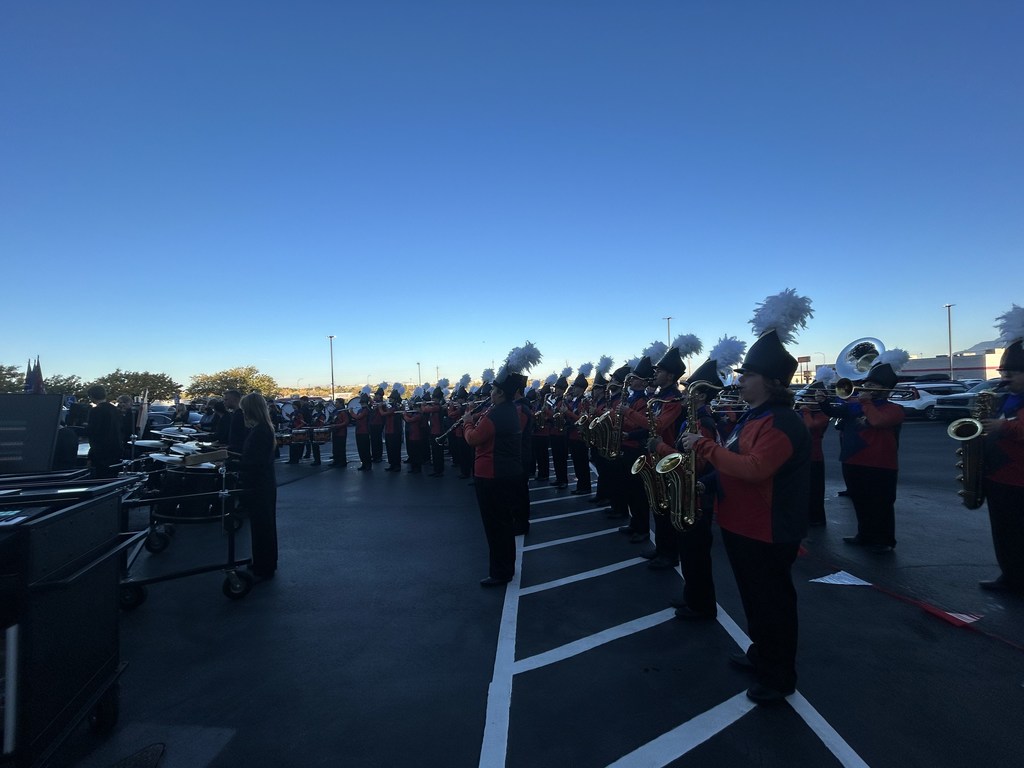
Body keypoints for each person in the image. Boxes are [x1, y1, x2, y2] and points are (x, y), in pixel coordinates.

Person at [678, 294, 812, 706]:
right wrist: (709, 483)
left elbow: (754, 469)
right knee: (754, 601)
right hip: (740, 523)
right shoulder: (753, 417)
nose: (740, 380)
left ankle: (778, 676)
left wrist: (702, 446)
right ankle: (761, 655)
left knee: (772, 604)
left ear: (771, 381)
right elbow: (735, 464)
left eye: (748, 375)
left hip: (768, 529)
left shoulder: (783, 421)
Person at [817, 354, 907, 552]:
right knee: (860, 501)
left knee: (881, 503)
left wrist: (866, 403)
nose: (867, 388)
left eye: (873, 385)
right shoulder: (855, 404)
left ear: (884, 389)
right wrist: (823, 402)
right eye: (867, 384)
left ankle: (884, 540)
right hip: (852, 459)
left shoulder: (895, 409)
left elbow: (877, 421)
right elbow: (835, 412)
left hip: (881, 464)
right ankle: (864, 535)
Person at [978, 308, 1024, 594]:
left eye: (1013, 372)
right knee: (1005, 533)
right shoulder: (1008, 397)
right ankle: (1010, 576)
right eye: (1004, 371)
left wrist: (1001, 427)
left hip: (1019, 479)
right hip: (1000, 477)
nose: (1006, 377)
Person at [465, 370, 523, 586]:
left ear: (500, 394)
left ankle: (500, 572)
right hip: (506, 473)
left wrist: (467, 422)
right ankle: (507, 567)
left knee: (495, 526)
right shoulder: (507, 410)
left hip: (492, 474)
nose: (490, 394)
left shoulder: (496, 414)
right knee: (504, 524)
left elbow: (473, 439)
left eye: (493, 391)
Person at [235, 392, 278, 580]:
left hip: (260, 485)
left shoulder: (261, 431)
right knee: (262, 527)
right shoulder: (261, 428)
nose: (243, 413)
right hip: (262, 483)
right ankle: (262, 561)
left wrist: (231, 464)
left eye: (245, 409)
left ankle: (265, 566)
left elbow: (257, 463)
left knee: (263, 527)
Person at [84, 384, 124, 479]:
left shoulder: (96, 411)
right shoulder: (115, 410)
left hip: (101, 452)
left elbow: (94, 432)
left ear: (91, 396)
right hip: (116, 449)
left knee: (100, 478)